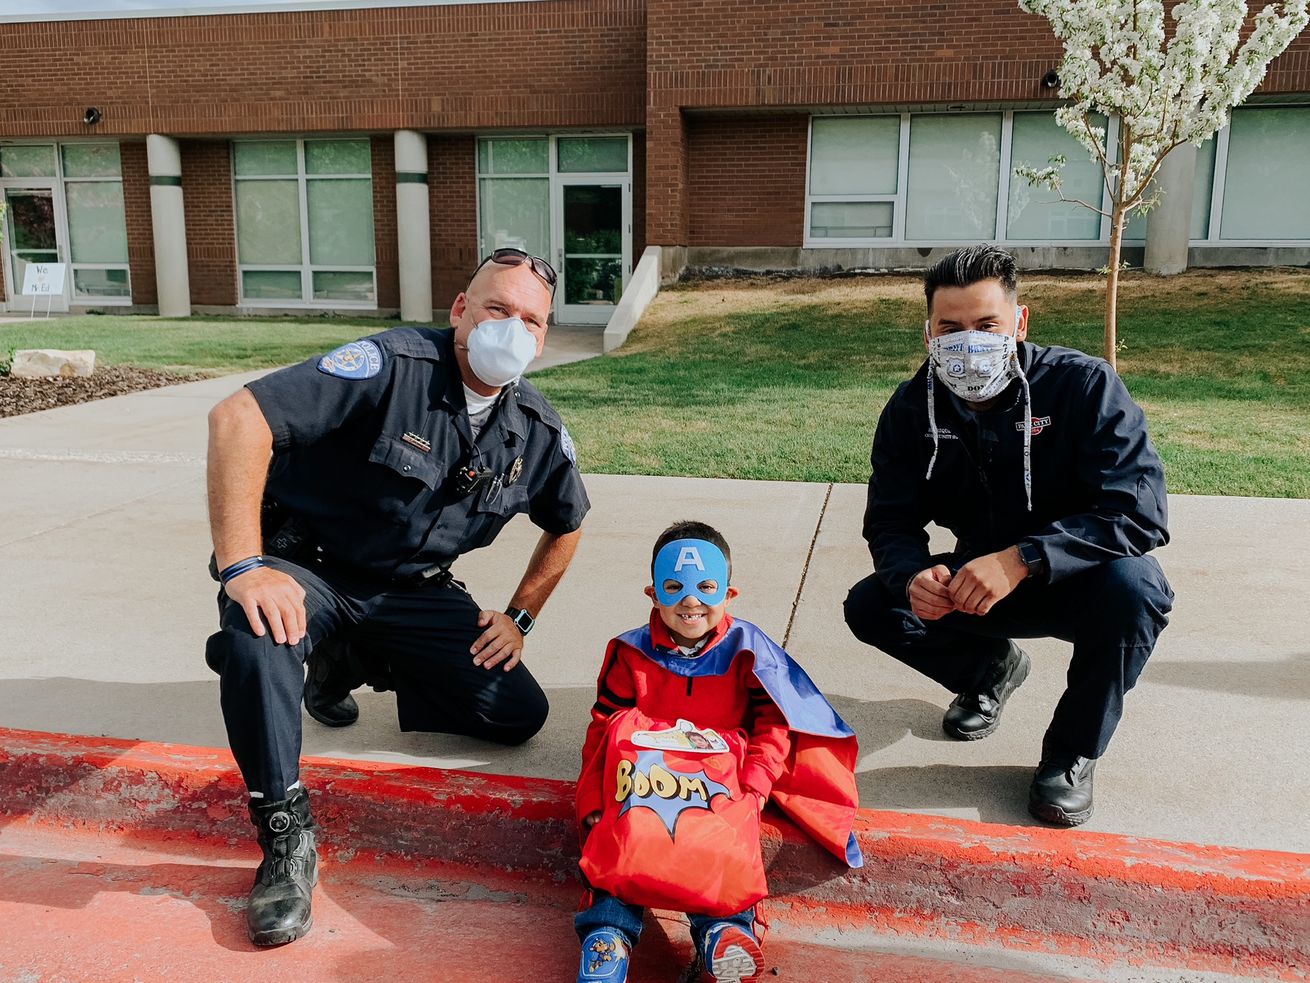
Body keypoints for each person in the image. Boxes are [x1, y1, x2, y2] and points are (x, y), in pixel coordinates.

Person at [204, 248, 589, 945]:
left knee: (517, 711)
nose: (512, 328)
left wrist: (521, 615)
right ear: (459, 311)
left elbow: (568, 524)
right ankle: (285, 840)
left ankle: (342, 659)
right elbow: (239, 417)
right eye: (497, 308)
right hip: (310, 569)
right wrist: (243, 566)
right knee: (258, 632)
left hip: (412, 591)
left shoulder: (534, 428)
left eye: (530, 320)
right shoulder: (390, 364)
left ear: (543, 338)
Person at [844, 244, 1174, 828]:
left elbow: (1139, 511)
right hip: (977, 588)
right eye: (950, 328)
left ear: (1019, 322)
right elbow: (890, 519)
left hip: (1079, 579)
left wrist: (1025, 558)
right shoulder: (910, 408)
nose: (967, 342)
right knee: (873, 604)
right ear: (928, 332)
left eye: (985, 325)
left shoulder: (1083, 386)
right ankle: (989, 672)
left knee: (1138, 590)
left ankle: (1071, 754)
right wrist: (912, 573)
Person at [575, 521, 862, 983]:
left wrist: (755, 786)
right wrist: (591, 800)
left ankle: (724, 933)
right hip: (642, 781)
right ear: (653, 594)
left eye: (706, 588)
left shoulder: (750, 652)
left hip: (720, 785)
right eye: (674, 588)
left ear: (730, 593)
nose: (691, 601)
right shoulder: (631, 653)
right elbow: (603, 728)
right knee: (614, 846)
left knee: (723, 857)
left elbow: (776, 723)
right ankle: (607, 937)